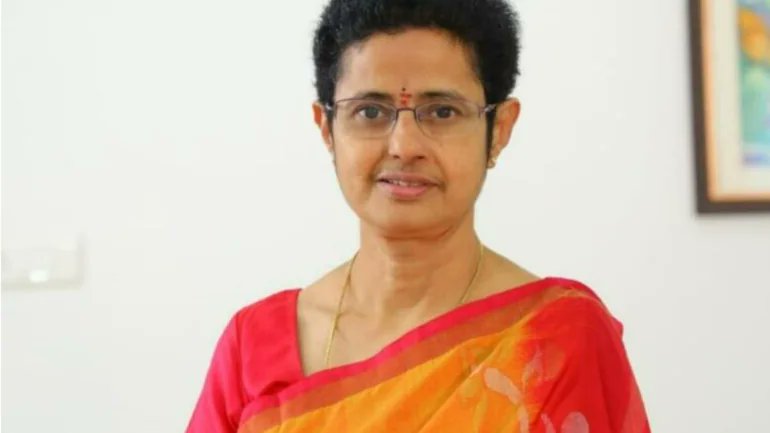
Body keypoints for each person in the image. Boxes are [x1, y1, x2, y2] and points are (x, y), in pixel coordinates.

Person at [186, 0, 651, 431]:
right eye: (370, 111)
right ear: (327, 128)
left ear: (499, 130)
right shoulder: (252, 348)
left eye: (442, 112)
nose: (404, 146)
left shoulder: (553, 341)